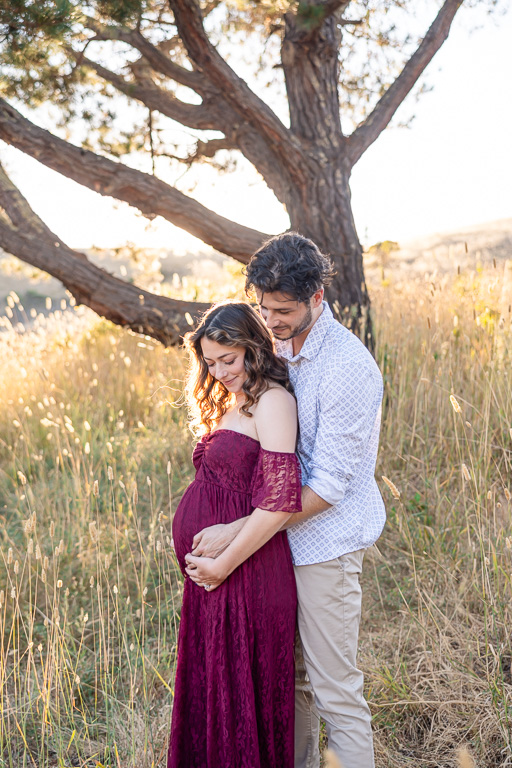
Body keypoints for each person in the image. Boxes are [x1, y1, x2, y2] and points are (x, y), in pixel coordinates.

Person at [190, 233, 386, 768]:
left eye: (283, 310)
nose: (271, 321)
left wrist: (235, 530)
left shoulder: (348, 368)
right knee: (287, 681)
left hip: (322, 545)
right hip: (271, 546)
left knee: (333, 688)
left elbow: (328, 486)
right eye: (264, 307)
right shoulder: (274, 346)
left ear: (317, 297)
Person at [167, 300, 303, 768]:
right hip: (215, 578)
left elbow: (281, 500)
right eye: (210, 362)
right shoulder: (233, 399)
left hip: (247, 572)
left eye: (230, 359)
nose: (220, 371)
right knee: (213, 700)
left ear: (254, 347)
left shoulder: (274, 402)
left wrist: (223, 560)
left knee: (244, 706)